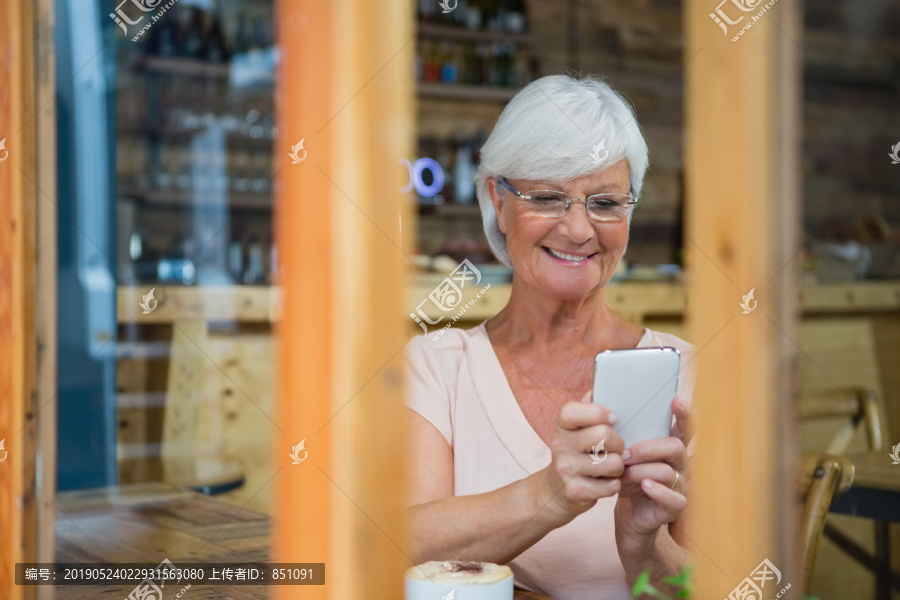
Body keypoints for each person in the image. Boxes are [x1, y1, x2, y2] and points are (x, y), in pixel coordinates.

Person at [404, 74, 696, 600]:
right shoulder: (436, 367)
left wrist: (644, 546)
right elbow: (396, 552)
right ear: (498, 200)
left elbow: (719, 589)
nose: (580, 230)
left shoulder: (686, 378)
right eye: (547, 197)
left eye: (606, 203)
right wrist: (548, 495)